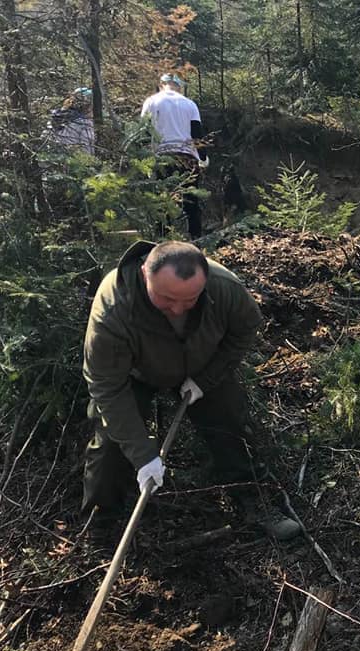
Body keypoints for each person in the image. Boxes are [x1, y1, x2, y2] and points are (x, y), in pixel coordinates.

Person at [82, 240, 299, 540]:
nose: (177, 309)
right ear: (145, 273)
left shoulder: (224, 287)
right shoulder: (114, 308)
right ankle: (102, 522)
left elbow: (245, 329)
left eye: (189, 300)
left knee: (231, 423)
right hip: (135, 374)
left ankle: (252, 499)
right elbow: (107, 386)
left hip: (201, 367)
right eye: (166, 298)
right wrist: (144, 456)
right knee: (110, 445)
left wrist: (206, 379)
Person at [141, 73, 206, 238]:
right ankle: (196, 240)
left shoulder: (151, 101)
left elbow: (143, 133)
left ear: (161, 84)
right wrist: (203, 158)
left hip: (161, 157)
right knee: (191, 201)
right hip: (187, 157)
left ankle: (162, 241)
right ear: (179, 86)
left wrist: (145, 161)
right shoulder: (189, 104)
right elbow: (197, 134)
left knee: (163, 202)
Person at [46, 87, 95, 155]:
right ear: (88, 106)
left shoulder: (54, 117)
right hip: (74, 163)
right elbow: (88, 150)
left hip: (50, 161)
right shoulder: (85, 123)